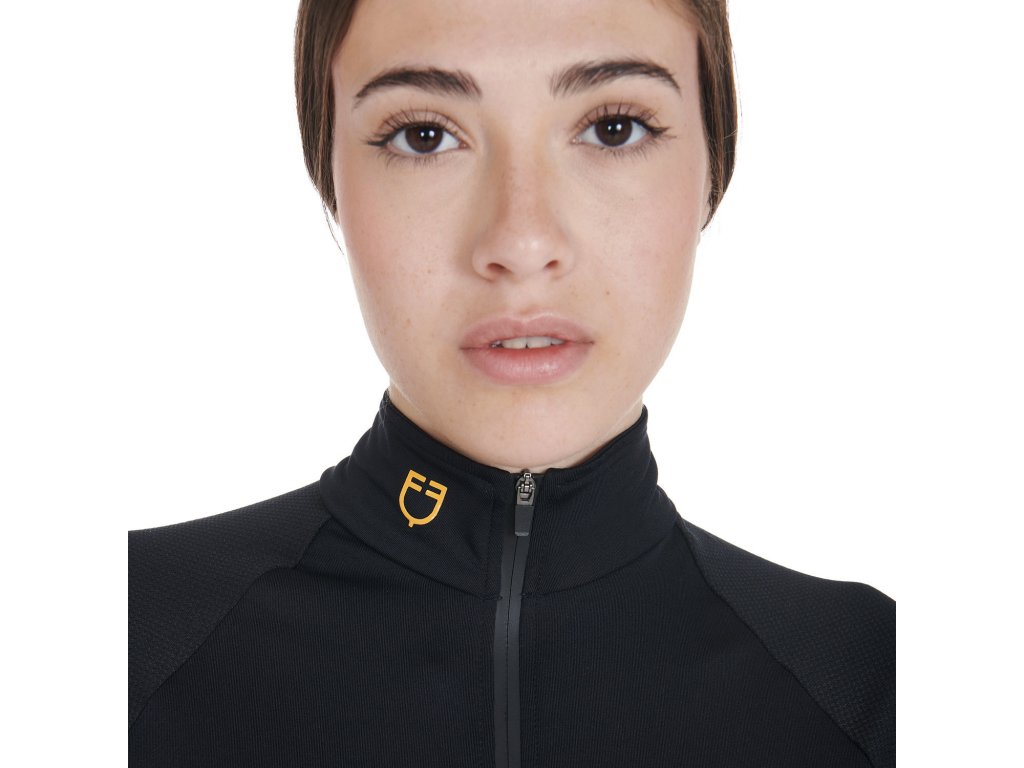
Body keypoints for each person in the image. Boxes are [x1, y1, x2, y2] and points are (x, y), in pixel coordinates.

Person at [128, 0, 896, 765]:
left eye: (614, 128)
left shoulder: (876, 686)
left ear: (712, 170)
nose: (522, 241)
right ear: (328, 173)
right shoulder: (117, 642)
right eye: (424, 136)